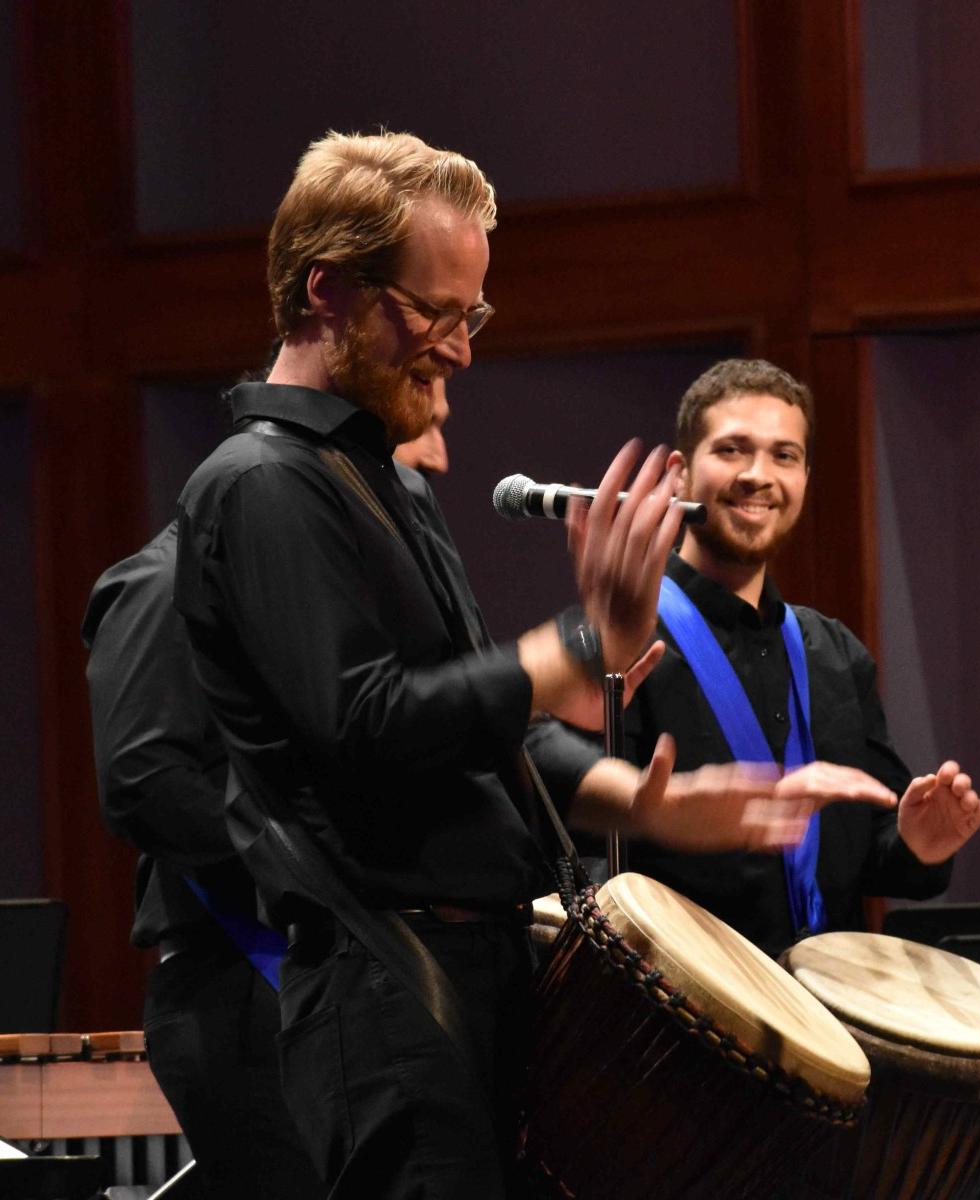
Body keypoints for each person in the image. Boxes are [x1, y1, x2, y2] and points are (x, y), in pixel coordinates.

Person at [171, 132, 850, 1200]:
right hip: (384, 985)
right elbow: (369, 726)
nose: (461, 349)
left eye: (471, 315)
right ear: (327, 291)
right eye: (434, 312)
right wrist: (575, 645)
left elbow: (478, 722)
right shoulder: (259, 484)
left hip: (472, 977)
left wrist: (653, 804)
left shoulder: (389, 487)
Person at [82, 373, 461, 1199]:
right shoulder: (163, 578)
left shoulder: (324, 605)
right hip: (247, 985)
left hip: (336, 973)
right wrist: (326, 848)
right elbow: (145, 782)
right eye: (405, 447)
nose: (433, 457)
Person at [600, 358, 980, 958]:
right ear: (678, 473)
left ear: (805, 475)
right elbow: (577, 845)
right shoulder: (619, 641)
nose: (760, 476)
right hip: (681, 1012)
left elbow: (873, 858)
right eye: (733, 450)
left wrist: (920, 842)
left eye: (784, 456)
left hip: (827, 1021)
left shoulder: (835, 654)